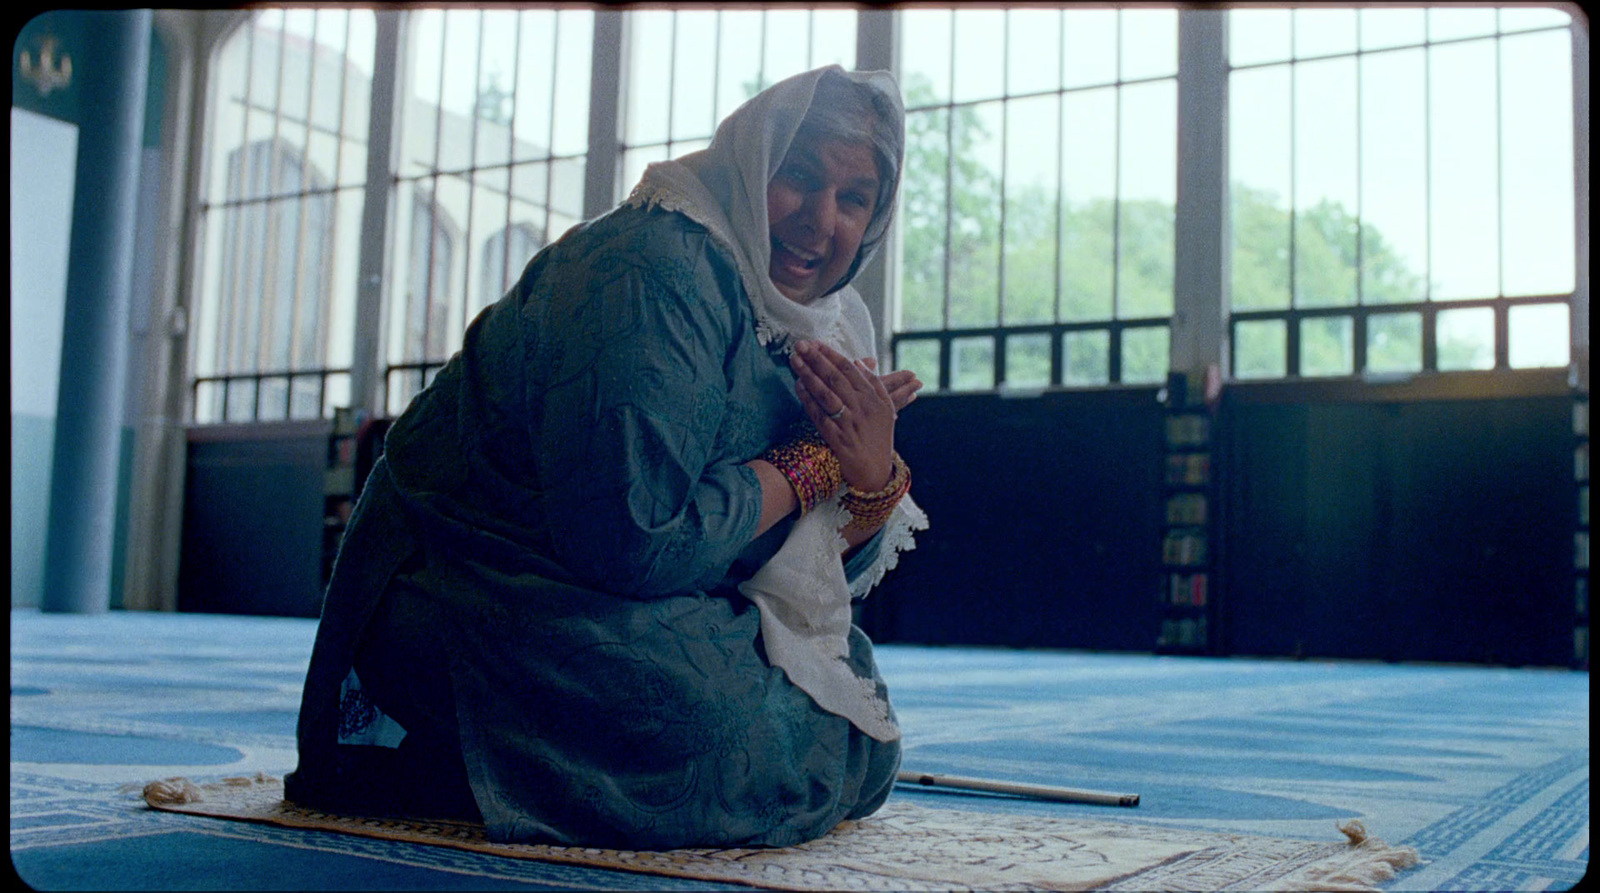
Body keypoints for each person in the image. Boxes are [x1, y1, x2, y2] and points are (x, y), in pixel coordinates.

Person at [284, 64, 928, 850]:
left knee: (845, 689)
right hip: (473, 585)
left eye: (853, 199)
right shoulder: (656, 269)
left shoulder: (819, 322)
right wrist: (812, 466)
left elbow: (798, 581)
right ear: (752, 160)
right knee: (710, 726)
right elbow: (629, 539)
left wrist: (868, 478)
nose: (819, 221)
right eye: (799, 177)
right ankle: (445, 762)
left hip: (632, 597)